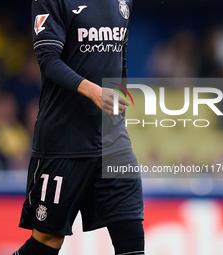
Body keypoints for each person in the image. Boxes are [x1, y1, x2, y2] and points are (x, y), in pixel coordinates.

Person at [13, 0, 144, 254]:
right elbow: (48, 60)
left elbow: (120, 52)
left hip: (113, 141)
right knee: (48, 240)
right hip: (64, 140)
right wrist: (93, 91)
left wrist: (120, 93)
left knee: (131, 234)